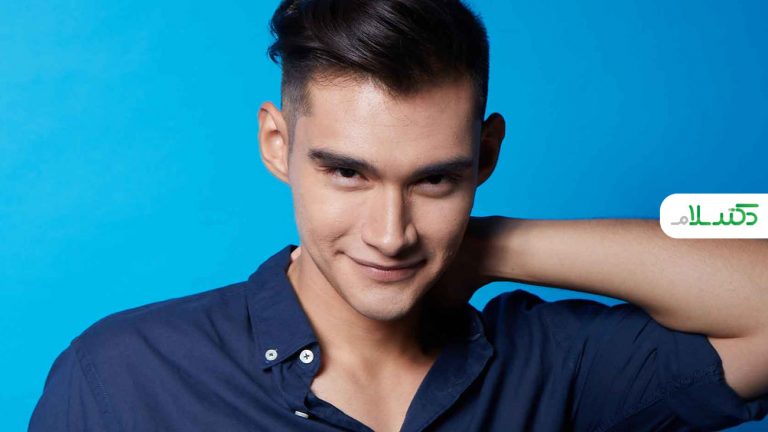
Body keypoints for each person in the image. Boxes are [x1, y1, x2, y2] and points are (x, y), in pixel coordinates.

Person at [29, 1, 768, 431]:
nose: (391, 234)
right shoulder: (122, 379)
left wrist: (489, 246)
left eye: (435, 180)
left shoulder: (554, 367)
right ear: (277, 144)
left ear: (485, 156)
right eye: (347, 172)